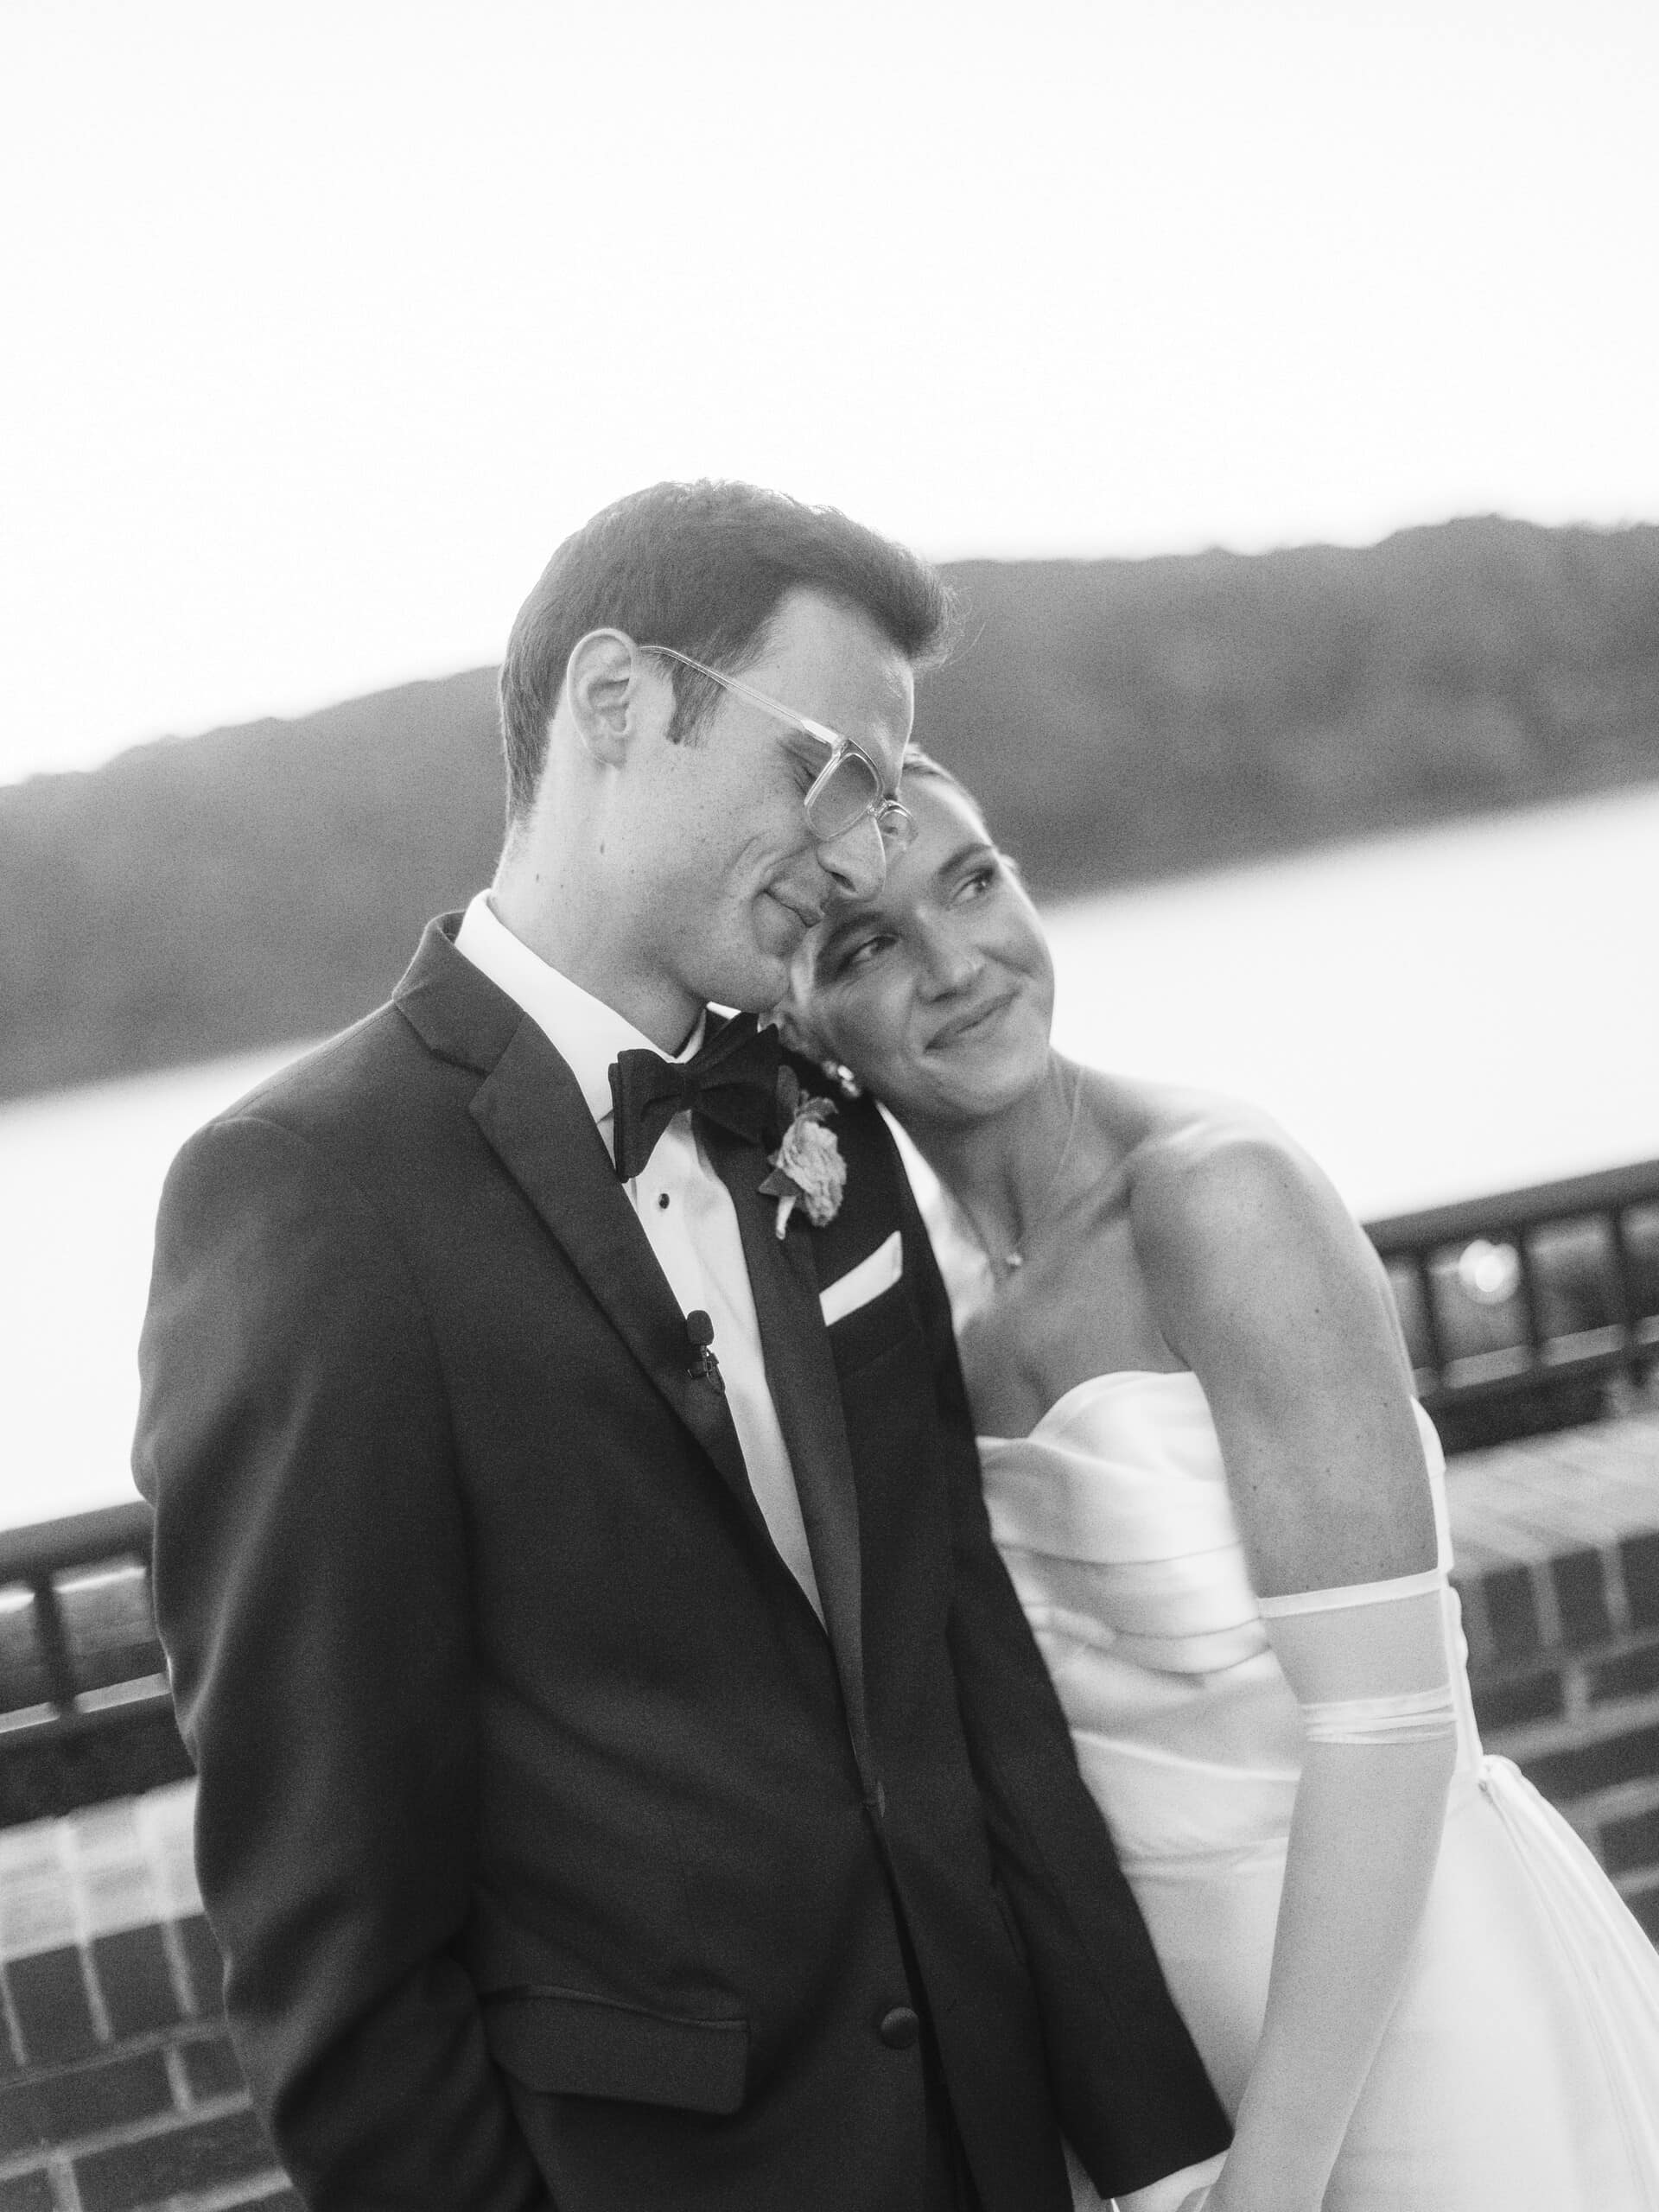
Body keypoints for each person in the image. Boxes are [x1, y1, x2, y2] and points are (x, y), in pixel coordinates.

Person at [133, 483, 1232, 2212]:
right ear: (619, 700)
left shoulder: (820, 1119)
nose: (858, 856)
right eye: (833, 771)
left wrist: (1169, 2158)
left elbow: (968, 1673)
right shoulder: (305, 1193)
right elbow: (333, 1942)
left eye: (887, 799)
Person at [785, 752, 1659, 2212]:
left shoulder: (1218, 1194)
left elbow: (1388, 1725)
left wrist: (1276, 2182)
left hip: (1418, 2017)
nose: (956, 964)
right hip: (1172, 2069)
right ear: (800, 1021)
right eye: (867, 945)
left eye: (975, 881)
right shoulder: (926, 1302)